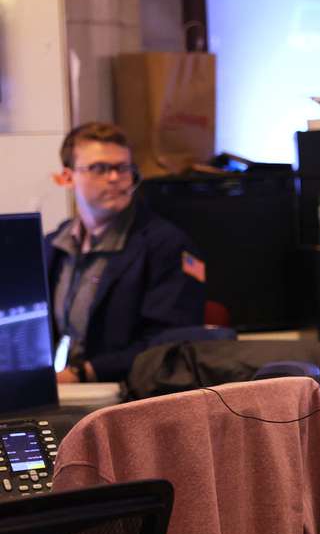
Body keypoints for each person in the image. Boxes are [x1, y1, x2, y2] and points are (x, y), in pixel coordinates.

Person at [44, 122, 206, 383]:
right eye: (99, 168)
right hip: (63, 386)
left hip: (130, 391)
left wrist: (83, 373)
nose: (114, 178)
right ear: (66, 178)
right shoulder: (54, 245)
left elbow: (172, 341)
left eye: (123, 168)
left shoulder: (167, 244)